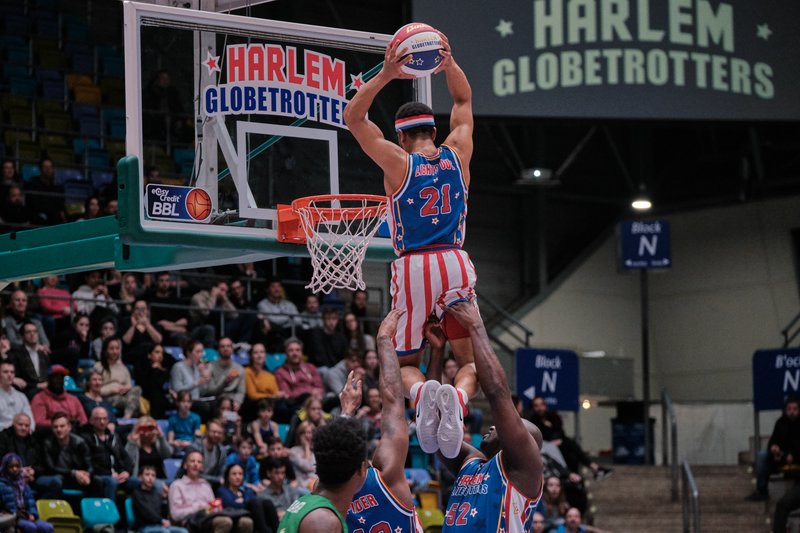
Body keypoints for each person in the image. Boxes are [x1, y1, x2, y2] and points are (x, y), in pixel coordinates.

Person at [343, 34, 480, 458]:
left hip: (413, 267)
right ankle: (457, 401)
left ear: (401, 137)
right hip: (456, 262)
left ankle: (422, 396)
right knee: (471, 362)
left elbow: (354, 117)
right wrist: (448, 63)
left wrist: (386, 72)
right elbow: (463, 100)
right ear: (434, 131)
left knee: (405, 364)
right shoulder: (458, 150)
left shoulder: (397, 161)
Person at [435, 303, 544, 531]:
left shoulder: (524, 469)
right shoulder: (473, 462)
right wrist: (436, 351)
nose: (497, 425)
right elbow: (431, 424)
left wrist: (476, 326)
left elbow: (497, 393)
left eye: (511, 427)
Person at [339, 309, 422, 533]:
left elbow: (333, 455)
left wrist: (346, 411)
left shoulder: (330, 499)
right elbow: (394, 402)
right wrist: (384, 338)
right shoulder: (386, 476)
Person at [276, 417, 368, 533]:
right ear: (362, 469)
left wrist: (345, 415)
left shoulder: (309, 502)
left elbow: (334, 446)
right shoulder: (323, 521)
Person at [528, 396, 612, 481]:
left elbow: (560, 432)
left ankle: (585, 473)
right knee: (569, 445)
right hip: (545, 447)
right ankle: (593, 467)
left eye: (541, 405)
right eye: (536, 405)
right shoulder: (533, 421)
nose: (539, 408)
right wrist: (548, 430)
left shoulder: (553, 416)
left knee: (571, 452)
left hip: (560, 444)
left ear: (545, 405)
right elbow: (540, 436)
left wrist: (554, 434)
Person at [168, 451, 237, 533]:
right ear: (185, 465)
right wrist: (198, 507)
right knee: (224, 522)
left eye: (199, 462)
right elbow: (175, 514)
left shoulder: (206, 485)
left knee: (245, 521)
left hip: (208, 518)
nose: (195, 464)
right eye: (192, 461)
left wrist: (212, 508)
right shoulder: (177, 485)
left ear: (202, 467)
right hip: (190, 521)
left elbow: (214, 506)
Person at [748, 395, 800, 501]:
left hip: (797, 457)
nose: (792, 412)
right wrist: (773, 448)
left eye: (795, 409)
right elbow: (773, 441)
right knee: (762, 455)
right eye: (789, 409)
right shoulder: (780, 423)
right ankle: (762, 491)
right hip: (781, 457)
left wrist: (793, 455)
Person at [39, 411, 103, 496]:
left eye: (62, 426)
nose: (58, 429)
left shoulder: (80, 443)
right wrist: (74, 473)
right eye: (55, 427)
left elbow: (90, 465)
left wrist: (87, 475)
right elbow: (50, 468)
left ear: (69, 427)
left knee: (97, 481)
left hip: (76, 477)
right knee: (57, 480)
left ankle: (93, 508)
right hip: (59, 476)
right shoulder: (48, 443)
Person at [79, 406, 133, 500]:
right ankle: (109, 512)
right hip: (98, 476)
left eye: (104, 418)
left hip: (117, 475)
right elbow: (89, 463)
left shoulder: (113, 437)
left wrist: (126, 472)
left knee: (138, 483)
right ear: (91, 420)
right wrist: (109, 474)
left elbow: (126, 458)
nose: (102, 422)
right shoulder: (86, 438)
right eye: (98, 419)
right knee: (111, 482)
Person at [0, 414, 58, 499]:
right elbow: (2, 463)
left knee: (55, 482)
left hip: (32, 478)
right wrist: (19, 472)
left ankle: (40, 508)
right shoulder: (3, 438)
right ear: (13, 424)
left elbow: (42, 465)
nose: (23, 428)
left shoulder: (33, 441)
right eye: (20, 425)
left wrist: (33, 471)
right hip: (10, 478)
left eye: (26, 425)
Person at [0, 453, 54, 533]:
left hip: (27, 515)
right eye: (11, 467)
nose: (15, 469)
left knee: (48, 527)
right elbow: (6, 507)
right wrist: (19, 515)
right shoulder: (1, 485)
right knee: (30, 527)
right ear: (5, 468)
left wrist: (32, 514)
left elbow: (31, 502)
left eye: (17, 466)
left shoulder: (24, 484)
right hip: (13, 517)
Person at [217, 464, 279, 533]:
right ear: (228, 477)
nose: (238, 477)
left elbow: (251, 500)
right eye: (234, 474)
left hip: (248, 514)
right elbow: (229, 504)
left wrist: (242, 502)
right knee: (254, 503)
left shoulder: (245, 492)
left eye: (240, 474)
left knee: (267, 503)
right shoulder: (222, 490)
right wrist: (246, 503)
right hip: (232, 516)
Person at [133, 464, 188, 533]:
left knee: (183, 531)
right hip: (144, 526)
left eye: (153, 475)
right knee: (164, 532)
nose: (150, 478)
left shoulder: (156, 492)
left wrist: (164, 499)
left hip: (159, 525)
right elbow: (146, 512)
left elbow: (163, 514)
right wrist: (161, 521)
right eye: (147, 474)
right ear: (140, 477)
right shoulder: (137, 493)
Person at [274, 338, 323, 415]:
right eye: (291, 350)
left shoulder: (310, 367)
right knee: (305, 397)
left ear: (301, 352)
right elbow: (288, 395)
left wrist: (316, 394)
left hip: (316, 401)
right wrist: (308, 391)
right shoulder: (280, 372)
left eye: (297, 350)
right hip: (296, 404)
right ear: (286, 354)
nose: (295, 353)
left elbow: (319, 388)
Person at [95, 337, 142, 418]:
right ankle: (127, 418)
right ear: (106, 350)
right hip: (106, 397)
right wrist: (111, 390)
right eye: (111, 349)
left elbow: (129, 385)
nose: (115, 351)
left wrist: (126, 388)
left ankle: (127, 416)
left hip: (123, 395)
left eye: (117, 348)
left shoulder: (123, 368)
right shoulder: (99, 366)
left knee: (137, 389)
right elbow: (95, 389)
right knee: (133, 403)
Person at [30, 365, 87, 429]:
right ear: (48, 379)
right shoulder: (39, 398)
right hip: (49, 435)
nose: (58, 380)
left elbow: (84, 420)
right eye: (55, 377)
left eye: (61, 377)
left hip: (74, 434)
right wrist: (63, 423)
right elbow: (38, 422)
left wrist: (76, 423)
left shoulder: (73, 399)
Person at [126, 416, 174, 483]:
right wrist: (132, 441)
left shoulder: (157, 443)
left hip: (160, 479)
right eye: (143, 428)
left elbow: (168, 454)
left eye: (150, 428)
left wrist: (161, 436)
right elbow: (127, 460)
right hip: (140, 481)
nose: (147, 432)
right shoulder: (133, 444)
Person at [207, 338, 245, 412]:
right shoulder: (210, 366)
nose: (226, 348)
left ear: (232, 349)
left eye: (228, 346)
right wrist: (224, 382)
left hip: (233, 399)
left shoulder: (239, 368)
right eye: (222, 346)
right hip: (217, 398)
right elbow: (211, 391)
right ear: (218, 350)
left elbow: (241, 391)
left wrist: (238, 401)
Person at [188, 419, 229, 488]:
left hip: (211, 486)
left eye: (219, 433)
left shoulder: (222, 451)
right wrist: (216, 479)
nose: (216, 435)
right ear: (207, 431)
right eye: (213, 432)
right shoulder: (195, 447)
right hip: (192, 482)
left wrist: (217, 480)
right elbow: (192, 472)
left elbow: (222, 474)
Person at [24, 159, 64, 226]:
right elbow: (33, 205)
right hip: (38, 219)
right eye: (45, 167)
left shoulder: (58, 188)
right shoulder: (33, 184)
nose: (48, 169)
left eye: (50, 167)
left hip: (53, 219)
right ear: (40, 169)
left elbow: (60, 206)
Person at [0, 362, 34, 432]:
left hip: (22, 434)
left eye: (12, 372)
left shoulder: (21, 396)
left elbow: (30, 418)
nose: (9, 375)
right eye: (5, 372)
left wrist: (30, 429)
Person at [288, 422, 317, 491]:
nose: (307, 435)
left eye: (310, 433)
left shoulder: (316, 452)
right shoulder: (293, 451)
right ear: (299, 435)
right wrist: (307, 447)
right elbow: (307, 467)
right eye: (304, 433)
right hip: (302, 487)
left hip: (316, 484)